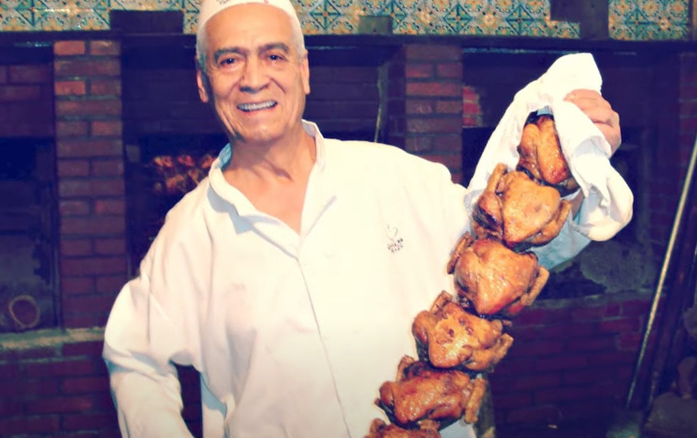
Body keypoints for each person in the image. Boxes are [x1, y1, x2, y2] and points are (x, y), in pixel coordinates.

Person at [101, 0, 626, 437]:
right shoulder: (188, 236)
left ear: (303, 70)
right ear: (203, 82)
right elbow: (134, 358)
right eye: (229, 60)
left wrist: (580, 163)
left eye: (274, 55)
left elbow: (514, 253)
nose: (254, 79)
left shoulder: (394, 177)